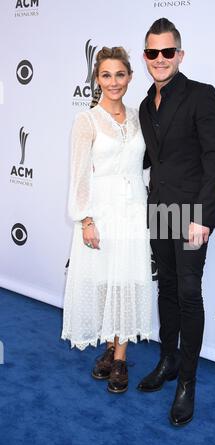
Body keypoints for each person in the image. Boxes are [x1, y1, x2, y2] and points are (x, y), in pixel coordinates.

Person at [137, 18, 215, 425]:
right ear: (145, 57)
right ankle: (168, 361)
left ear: (180, 54)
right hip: (159, 210)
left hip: (191, 215)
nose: (160, 59)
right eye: (153, 52)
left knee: (190, 294)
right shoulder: (143, 104)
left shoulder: (201, 95)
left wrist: (204, 216)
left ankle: (187, 383)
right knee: (168, 289)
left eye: (167, 52)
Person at [62, 47, 152, 394]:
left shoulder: (138, 116)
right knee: (102, 281)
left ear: (130, 77)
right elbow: (80, 174)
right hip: (100, 212)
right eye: (105, 75)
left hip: (133, 210)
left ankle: (118, 359)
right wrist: (85, 219)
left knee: (126, 280)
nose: (113, 82)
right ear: (96, 79)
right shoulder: (86, 120)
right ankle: (111, 347)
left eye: (120, 75)